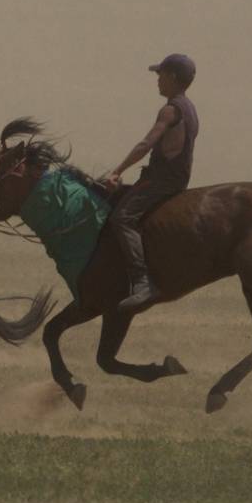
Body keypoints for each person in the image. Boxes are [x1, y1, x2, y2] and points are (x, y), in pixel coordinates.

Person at [101, 53, 200, 313]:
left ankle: (142, 282)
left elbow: (147, 144)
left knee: (121, 218)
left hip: (162, 180)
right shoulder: (190, 108)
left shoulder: (170, 109)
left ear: (173, 77)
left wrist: (117, 171)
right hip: (176, 178)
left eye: (161, 75)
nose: (157, 80)